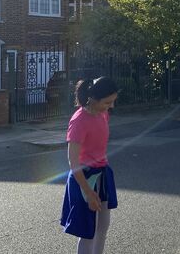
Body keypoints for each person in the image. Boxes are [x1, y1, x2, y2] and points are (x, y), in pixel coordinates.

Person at [60, 77, 119, 254]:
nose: (112, 106)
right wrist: (87, 191)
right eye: (108, 102)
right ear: (93, 98)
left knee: (103, 228)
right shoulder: (79, 121)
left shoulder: (103, 113)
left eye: (113, 101)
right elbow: (73, 162)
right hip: (84, 178)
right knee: (88, 232)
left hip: (102, 173)